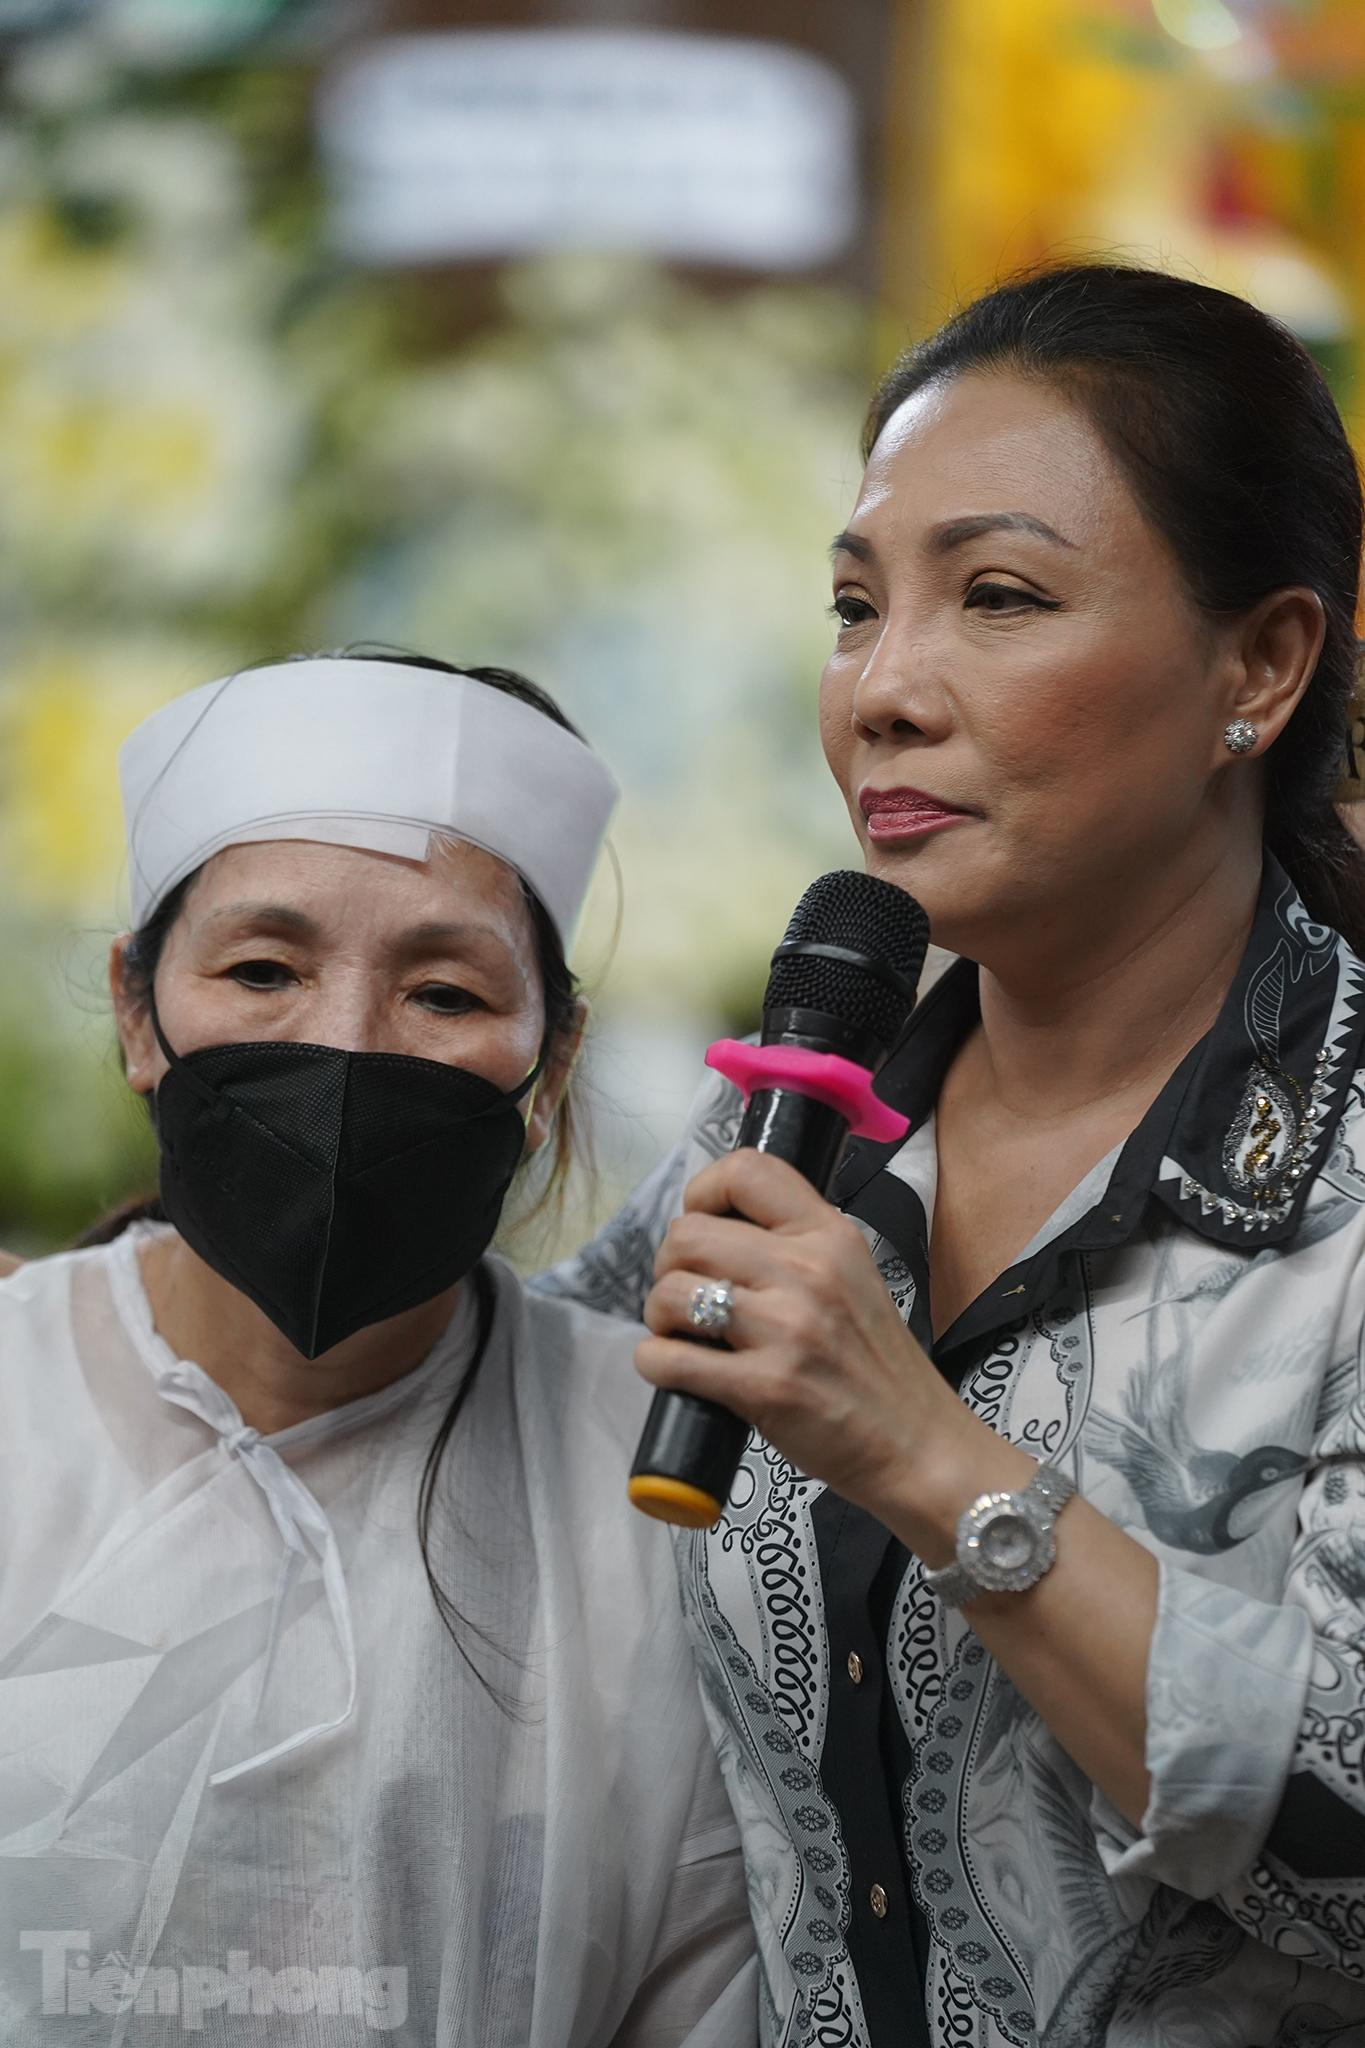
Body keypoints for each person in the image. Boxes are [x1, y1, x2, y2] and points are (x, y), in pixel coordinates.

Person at [539, 264, 1365, 2045]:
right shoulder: (809, 1123)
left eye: (996, 597)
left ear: (1264, 663)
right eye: (854, 608)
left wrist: (928, 1455)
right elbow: (506, 1403)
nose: (884, 691)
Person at [0, 654, 757, 2045]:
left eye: (445, 995)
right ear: (135, 1010)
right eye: (264, 969)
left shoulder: (664, 1500)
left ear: (555, 1063)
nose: (345, 1045)